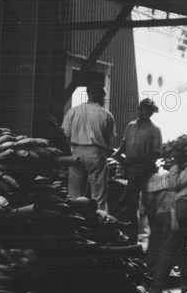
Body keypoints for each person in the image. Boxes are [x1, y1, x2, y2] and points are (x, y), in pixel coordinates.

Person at [150, 158, 187, 293]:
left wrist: (174, 169)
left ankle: (157, 288)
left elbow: (174, 185)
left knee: (170, 250)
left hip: (186, 210)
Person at [112, 99, 162, 244]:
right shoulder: (130, 126)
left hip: (147, 172)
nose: (147, 113)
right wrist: (122, 160)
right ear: (139, 109)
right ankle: (133, 238)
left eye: (150, 111)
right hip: (132, 172)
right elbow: (122, 147)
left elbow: (155, 154)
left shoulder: (154, 130)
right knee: (131, 204)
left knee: (148, 206)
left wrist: (137, 162)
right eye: (145, 109)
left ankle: (152, 240)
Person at [61, 82, 115, 211]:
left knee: (74, 194)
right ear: (100, 96)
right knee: (98, 195)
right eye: (103, 96)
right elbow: (109, 140)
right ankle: (99, 221)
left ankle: (75, 221)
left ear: (88, 95)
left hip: (77, 153)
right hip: (96, 154)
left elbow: (64, 135)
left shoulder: (73, 111)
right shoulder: (106, 114)